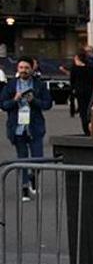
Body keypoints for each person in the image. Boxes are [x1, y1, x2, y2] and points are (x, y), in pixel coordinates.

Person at [0, 56, 53, 201]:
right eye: (21, 68)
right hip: (17, 128)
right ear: (17, 69)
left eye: (26, 68)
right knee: (22, 159)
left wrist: (33, 100)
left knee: (38, 158)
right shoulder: (10, 85)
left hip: (35, 127)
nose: (24, 70)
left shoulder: (39, 85)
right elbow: (3, 105)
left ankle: (33, 176)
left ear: (32, 69)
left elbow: (47, 104)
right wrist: (14, 100)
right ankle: (24, 188)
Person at [69, 50, 93, 136]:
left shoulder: (75, 69)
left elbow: (72, 81)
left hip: (80, 92)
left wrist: (72, 91)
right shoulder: (92, 68)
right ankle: (91, 126)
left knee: (83, 111)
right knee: (90, 109)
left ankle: (86, 129)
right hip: (91, 91)